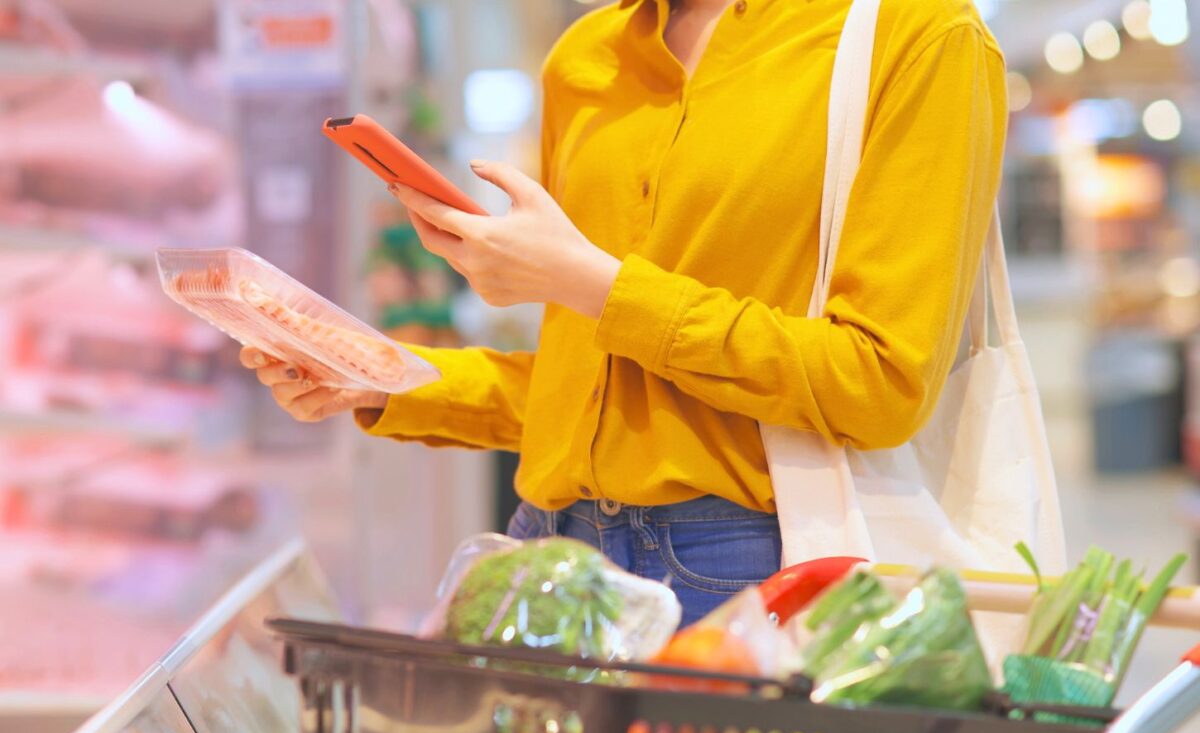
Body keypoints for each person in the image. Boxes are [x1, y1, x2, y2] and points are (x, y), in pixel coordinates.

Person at [242, 0, 1006, 626]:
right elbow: (595, 395)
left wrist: (597, 287)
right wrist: (384, 378)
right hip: (546, 545)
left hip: (761, 569)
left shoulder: (918, 35)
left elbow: (878, 381)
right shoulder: (586, 58)